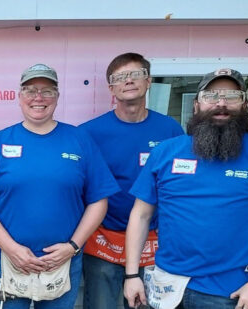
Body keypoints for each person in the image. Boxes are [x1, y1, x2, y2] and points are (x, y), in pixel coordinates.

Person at [123, 68, 248, 309]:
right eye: (211, 96)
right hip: (165, 286)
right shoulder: (165, 152)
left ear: (244, 105)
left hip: (232, 293)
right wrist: (132, 274)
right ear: (196, 105)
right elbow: (141, 215)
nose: (221, 103)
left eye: (231, 96)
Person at [0, 63, 120, 309]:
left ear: (57, 97)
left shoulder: (79, 140)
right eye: (30, 90)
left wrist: (72, 246)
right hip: (7, 260)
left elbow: (99, 200)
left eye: (47, 91)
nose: (39, 97)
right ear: (19, 97)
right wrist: (12, 249)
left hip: (62, 261)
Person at [80, 53, 184, 309]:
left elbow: (182, 186)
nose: (128, 81)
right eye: (120, 77)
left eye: (135, 74)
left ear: (148, 81)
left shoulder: (170, 131)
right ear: (111, 88)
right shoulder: (88, 133)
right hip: (103, 240)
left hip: (155, 243)